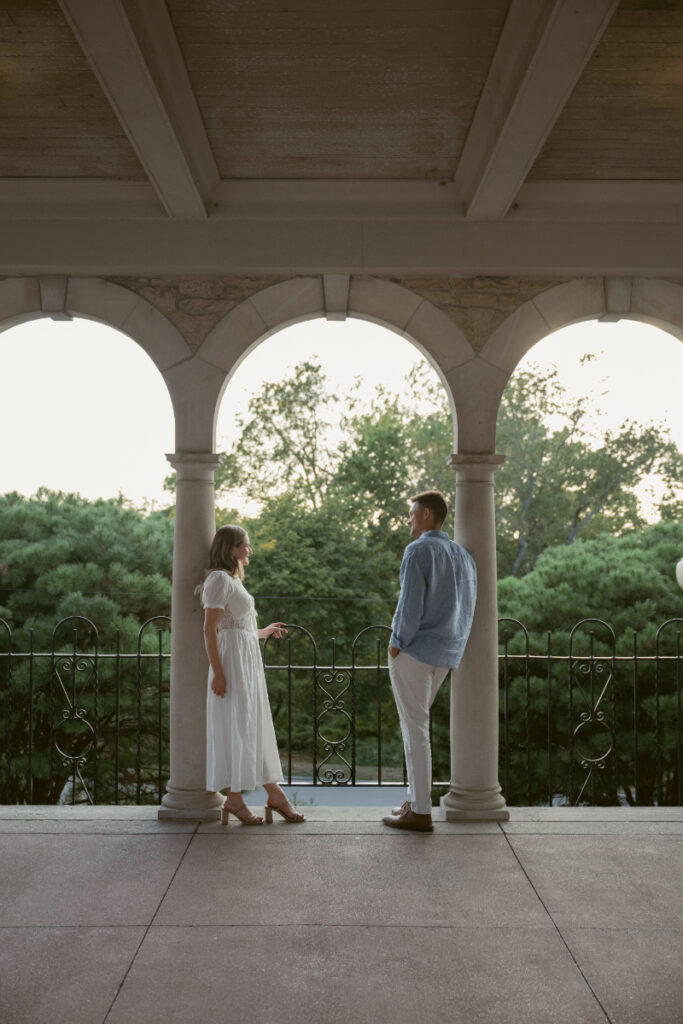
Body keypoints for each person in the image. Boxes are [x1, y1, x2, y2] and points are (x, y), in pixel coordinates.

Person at [383, 491, 477, 833]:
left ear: (425, 514)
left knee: (415, 729)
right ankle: (414, 799)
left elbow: (410, 605)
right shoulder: (463, 556)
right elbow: (467, 608)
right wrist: (454, 648)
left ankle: (420, 810)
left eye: (410, 513)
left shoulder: (419, 549)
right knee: (417, 726)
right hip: (445, 654)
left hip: (415, 652)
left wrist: (396, 644)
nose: (407, 519)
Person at [200, 524, 305, 825]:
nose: (250, 550)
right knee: (238, 725)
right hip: (231, 665)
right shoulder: (218, 579)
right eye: (245, 545)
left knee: (250, 724)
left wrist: (263, 632)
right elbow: (210, 631)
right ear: (231, 548)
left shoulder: (232, 581)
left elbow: (239, 628)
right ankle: (244, 797)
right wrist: (219, 675)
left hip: (246, 662)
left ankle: (265, 794)